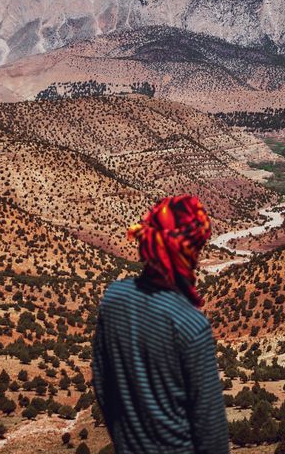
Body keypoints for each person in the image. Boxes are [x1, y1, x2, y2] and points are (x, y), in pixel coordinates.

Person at [91, 194, 230, 454]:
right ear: (189, 251)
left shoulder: (113, 297)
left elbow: (102, 383)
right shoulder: (190, 325)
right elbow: (211, 433)